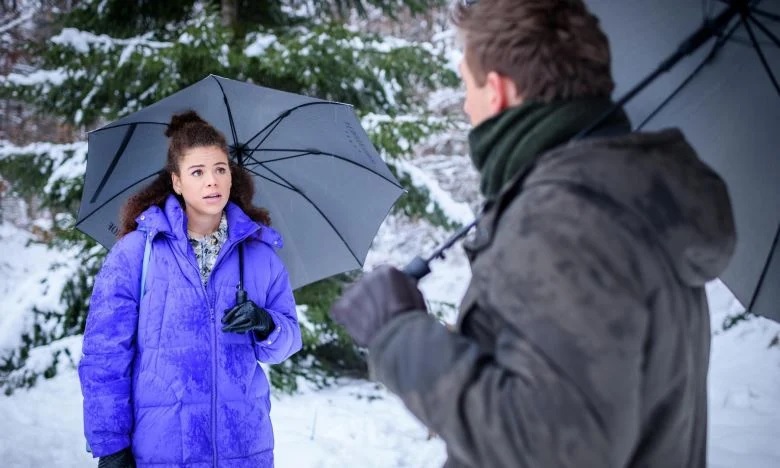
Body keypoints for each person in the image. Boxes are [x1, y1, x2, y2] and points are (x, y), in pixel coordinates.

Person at [329, 0, 737, 466]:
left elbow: (552, 446)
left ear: (498, 91)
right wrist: (462, 338)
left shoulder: (567, 219)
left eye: (467, 83)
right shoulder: (629, 200)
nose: (465, 104)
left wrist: (399, 335)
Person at [79, 110, 302, 467]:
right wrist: (111, 446)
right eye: (197, 172)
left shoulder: (260, 256)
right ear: (177, 182)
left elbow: (288, 340)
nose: (211, 181)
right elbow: (105, 354)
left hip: (243, 449)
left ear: (232, 176)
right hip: (163, 450)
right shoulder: (138, 252)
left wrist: (266, 323)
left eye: (220, 169)